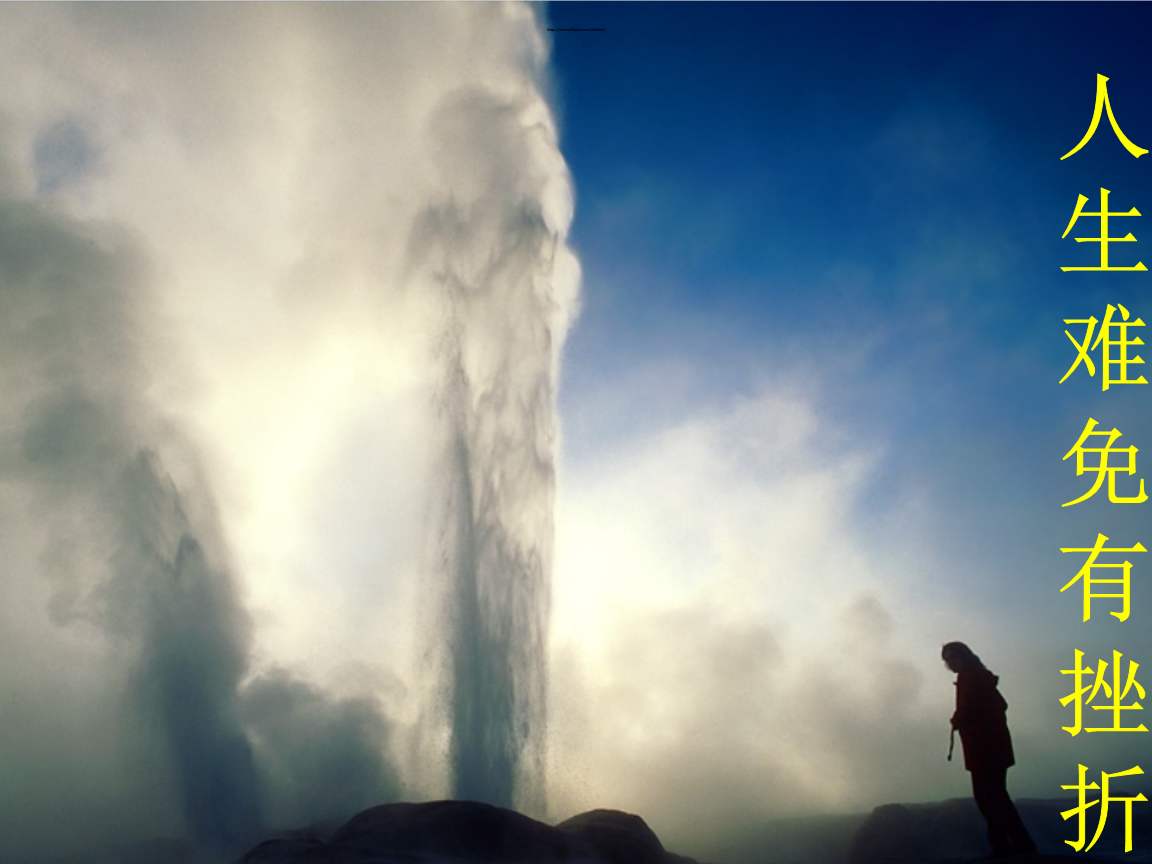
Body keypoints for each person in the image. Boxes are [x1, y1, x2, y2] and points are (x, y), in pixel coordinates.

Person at [942, 641, 1037, 857]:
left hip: (985, 750)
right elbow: (996, 706)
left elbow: (982, 708)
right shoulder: (977, 676)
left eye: (951, 657)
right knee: (994, 798)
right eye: (947, 660)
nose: (949, 663)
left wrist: (961, 719)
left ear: (963, 656)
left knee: (989, 798)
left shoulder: (971, 678)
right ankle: (1013, 846)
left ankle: (1011, 847)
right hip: (990, 749)